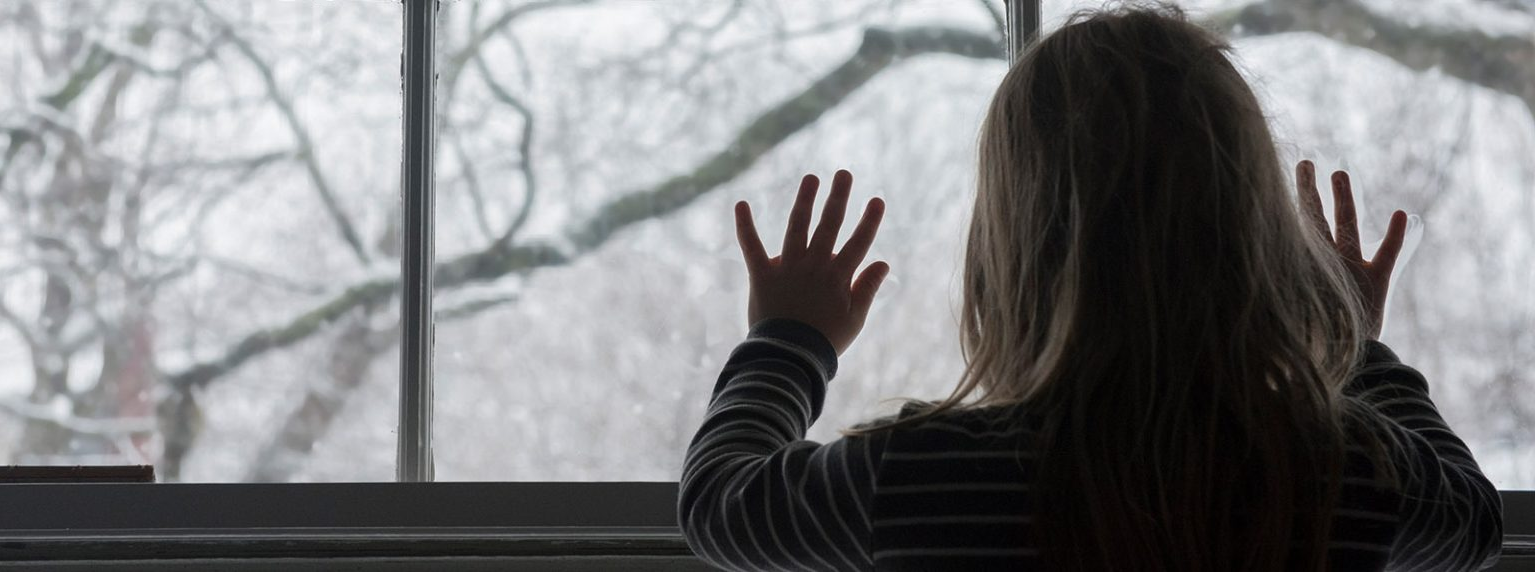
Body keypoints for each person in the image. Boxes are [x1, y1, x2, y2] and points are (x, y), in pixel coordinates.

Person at [677, 4, 1504, 571]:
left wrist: (790, 340)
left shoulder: (919, 474)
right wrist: (1351, 340)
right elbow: (1474, 525)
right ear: (1257, 249)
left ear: (1008, 252)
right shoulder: (1338, 472)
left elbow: (720, 506)